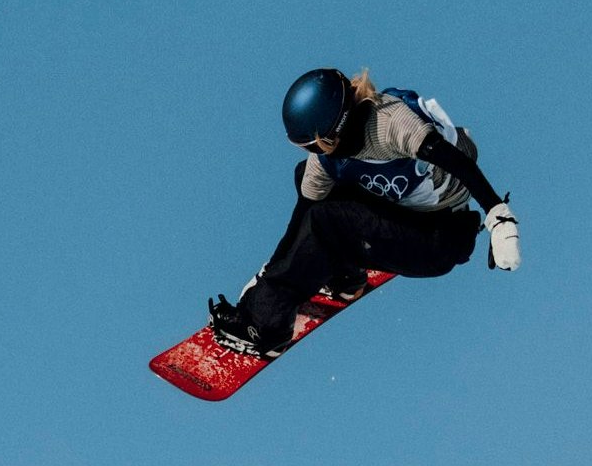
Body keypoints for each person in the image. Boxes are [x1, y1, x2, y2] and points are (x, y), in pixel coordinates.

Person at [209, 67, 519, 357]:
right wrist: (270, 272)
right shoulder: (326, 157)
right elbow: (302, 213)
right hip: (407, 215)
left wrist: (499, 217)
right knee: (310, 184)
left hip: (441, 237)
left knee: (326, 219)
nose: (314, 153)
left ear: (330, 134)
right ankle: (344, 275)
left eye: (315, 145)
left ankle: (264, 328)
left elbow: (459, 162)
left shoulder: (391, 123)